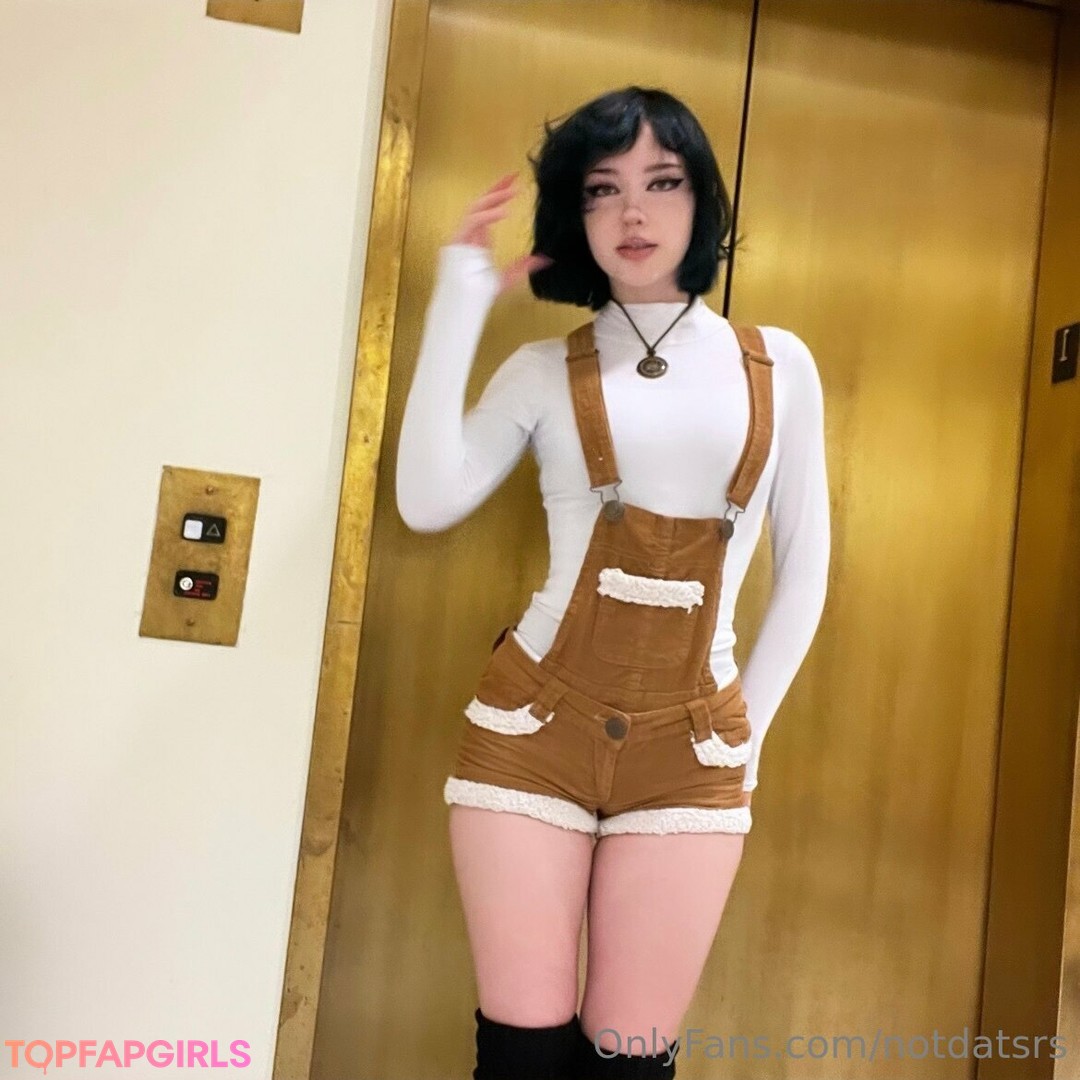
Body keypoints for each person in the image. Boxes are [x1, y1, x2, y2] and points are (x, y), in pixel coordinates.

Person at [396, 86, 830, 1080]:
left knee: (630, 1064)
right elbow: (426, 500)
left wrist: (742, 744)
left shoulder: (780, 365)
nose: (633, 211)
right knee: (521, 1060)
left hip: (695, 749)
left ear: (702, 199)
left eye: (662, 182)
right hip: (529, 734)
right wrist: (459, 303)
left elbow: (805, 567)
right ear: (576, 213)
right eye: (603, 189)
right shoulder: (541, 369)